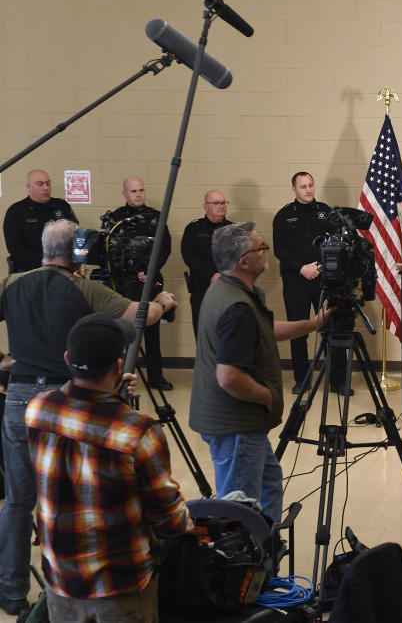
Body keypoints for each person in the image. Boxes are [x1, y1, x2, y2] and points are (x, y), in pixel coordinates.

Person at [0, 219, 176, 619]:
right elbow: (138, 316)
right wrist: (164, 302)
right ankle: (73, 584)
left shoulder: (11, 283)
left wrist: (4, 362)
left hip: (21, 399)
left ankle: (11, 593)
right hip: (66, 403)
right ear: (76, 251)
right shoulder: (82, 286)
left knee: (17, 500)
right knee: (76, 494)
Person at [26, 313, 193, 622]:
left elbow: (81, 422)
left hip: (60, 581)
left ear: (67, 359)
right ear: (119, 366)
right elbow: (169, 519)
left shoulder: (37, 410)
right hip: (120, 586)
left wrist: (109, 398)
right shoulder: (138, 432)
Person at [189, 221, 334, 523]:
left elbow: (265, 330)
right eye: (261, 248)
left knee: (268, 487)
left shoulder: (228, 289)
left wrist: (311, 324)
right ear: (243, 261)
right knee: (241, 515)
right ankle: (250, 567)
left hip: (239, 426)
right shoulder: (237, 306)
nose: (266, 252)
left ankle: (266, 561)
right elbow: (228, 376)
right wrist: (268, 396)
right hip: (236, 426)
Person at [272, 172, 347, 395]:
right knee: (298, 330)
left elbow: (337, 243)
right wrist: (302, 268)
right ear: (294, 189)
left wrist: (320, 268)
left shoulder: (327, 212)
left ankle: (338, 381)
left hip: (324, 279)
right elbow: (280, 249)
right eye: (303, 186)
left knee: (331, 328)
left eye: (311, 185)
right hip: (296, 280)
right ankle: (301, 380)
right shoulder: (284, 216)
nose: (308, 190)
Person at [111, 176, 173, 390]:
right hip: (123, 283)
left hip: (149, 281)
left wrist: (149, 271)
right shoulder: (116, 218)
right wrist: (128, 273)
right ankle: (120, 376)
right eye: (133, 191)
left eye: (141, 190)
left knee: (152, 330)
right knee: (122, 331)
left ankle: (156, 377)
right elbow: (111, 250)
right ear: (124, 194)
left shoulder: (156, 217)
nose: (138, 194)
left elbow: (164, 249)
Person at [3, 169, 77, 273]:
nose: (45, 188)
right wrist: (44, 265)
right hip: (29, 272)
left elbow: (75, 235)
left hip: (62, 271)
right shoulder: (16, 211)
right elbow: (15, 248)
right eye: (40, 184)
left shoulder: (62, 206)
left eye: (48, 183)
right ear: (28, 187)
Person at [182, 189, 233, 336]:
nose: (221, 206)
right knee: (203, 333)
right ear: (205, 206)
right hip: (202, 288)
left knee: (228, 334)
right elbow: (189, 257)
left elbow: (242, 257)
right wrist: (211, 275)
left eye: (223, 202)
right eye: (216, 203)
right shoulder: (193, 229)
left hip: (229, 288)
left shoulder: (235, 229)